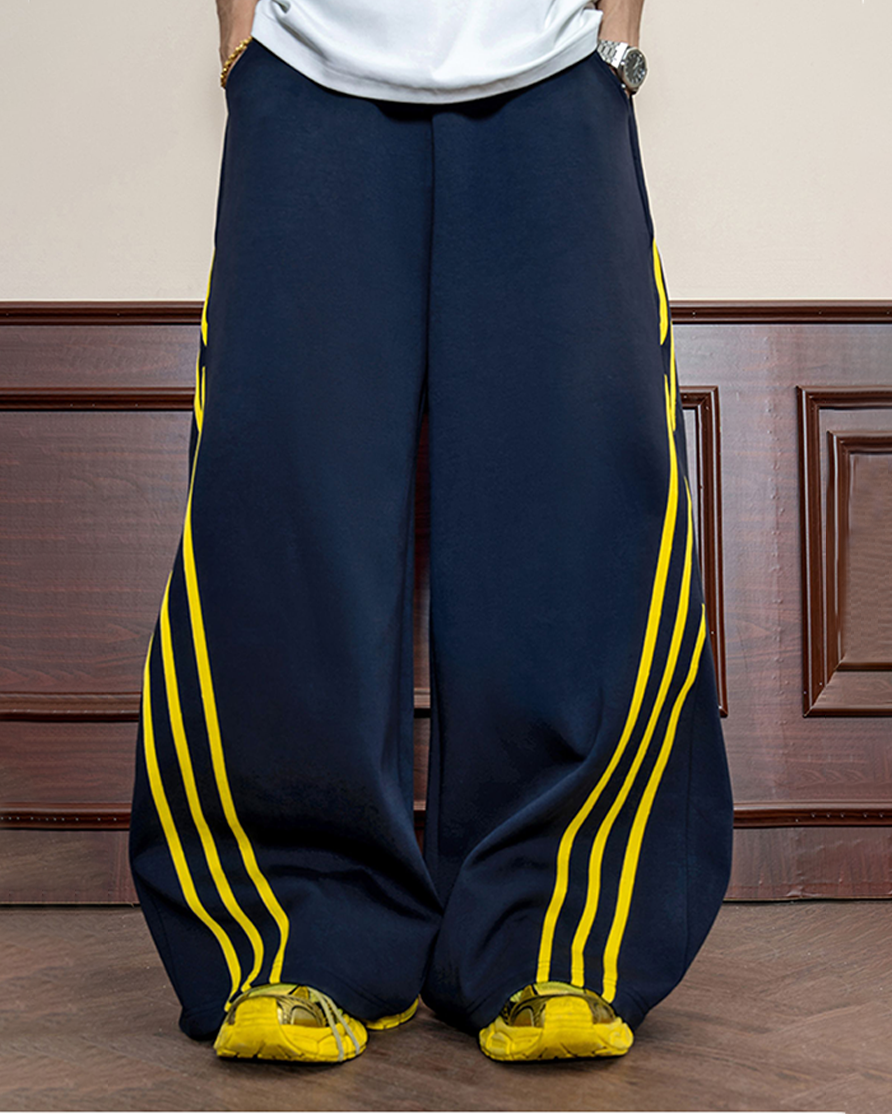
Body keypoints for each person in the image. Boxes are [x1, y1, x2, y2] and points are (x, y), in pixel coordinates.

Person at [128, 0, 735, 1064]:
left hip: (555, 63)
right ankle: (299, 937)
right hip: (303, 66)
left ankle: (551, 936)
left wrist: (617, 44)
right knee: (282, 506)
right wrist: (240, 43)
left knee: (574, 500)